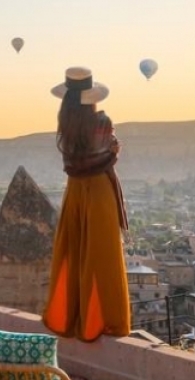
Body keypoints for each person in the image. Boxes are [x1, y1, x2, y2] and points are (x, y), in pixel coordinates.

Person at [41, 66, 131, 341]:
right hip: (99, 190)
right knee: (101, 254)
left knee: (75, 250)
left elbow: (76, 160)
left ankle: (69, 315)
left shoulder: (66, 124)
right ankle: (104, 321)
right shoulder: (101, 121)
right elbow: (110, 152)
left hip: (76, 191)